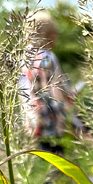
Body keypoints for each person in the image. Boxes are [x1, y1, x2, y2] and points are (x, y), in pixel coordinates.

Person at [20, 11, 84, 155]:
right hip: (51, 120)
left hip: (32, 120)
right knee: (57, 161)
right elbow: (57, 92)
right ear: (46, 34)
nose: (56, 38)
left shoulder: (22, 58)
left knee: (39, 161)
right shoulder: (47, 57)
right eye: (53, 34)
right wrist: (72, 99)